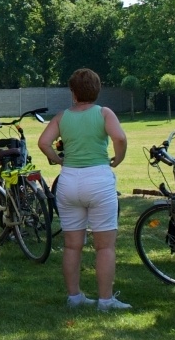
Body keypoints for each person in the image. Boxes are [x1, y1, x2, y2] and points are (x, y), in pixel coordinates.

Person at [39, 69, 130, 311]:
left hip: (69, 181)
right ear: (97, 90)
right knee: (105, 246)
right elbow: (119, 138)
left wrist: (58, 160)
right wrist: (118, 159)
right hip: (98, 179)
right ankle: (105, 299)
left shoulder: (62, 116)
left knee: (71, 245)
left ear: (73, 92)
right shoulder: (104, 113)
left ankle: (75, 296)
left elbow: (43, 142)